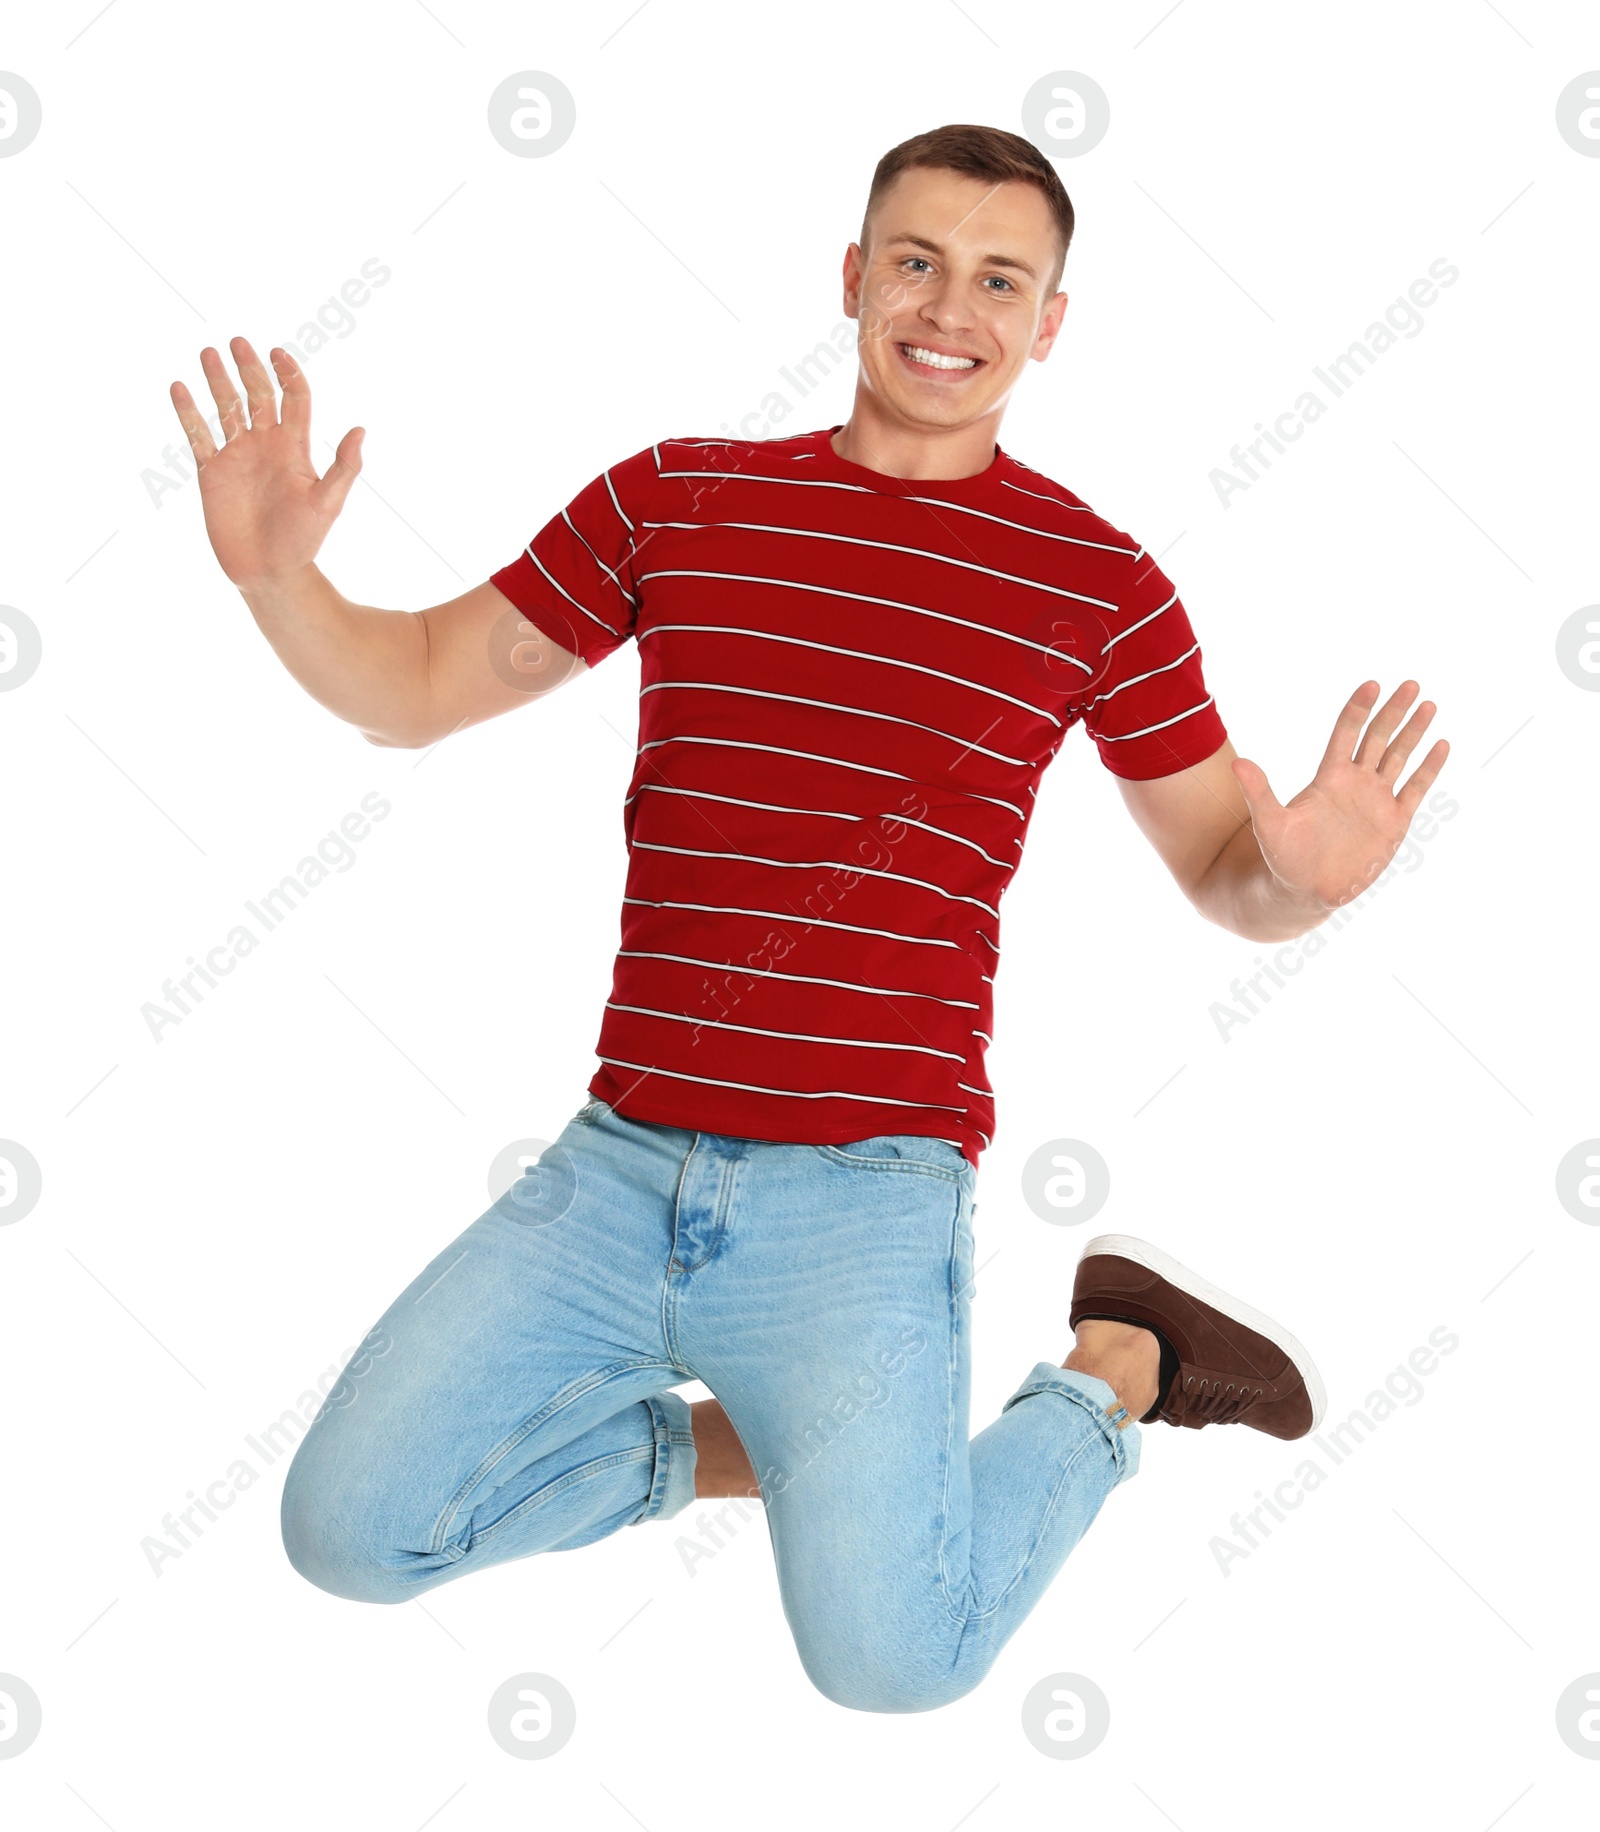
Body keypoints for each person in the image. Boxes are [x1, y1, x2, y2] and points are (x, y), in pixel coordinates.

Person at [168, 123, 1448, 1714]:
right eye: (915, 261)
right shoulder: (678, 502)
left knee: (894, 1664)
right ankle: (752, 1449)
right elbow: (420, 684)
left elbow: (1220, 874)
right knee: (350, 1530)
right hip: (620, 1171)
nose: (949, 308)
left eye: (1001, 280)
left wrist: (1300, 881)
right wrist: (282, 582)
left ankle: (1117, 1369)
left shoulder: (1097, 584)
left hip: (865, 1204)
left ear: (1051, 323)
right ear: (853, 277)